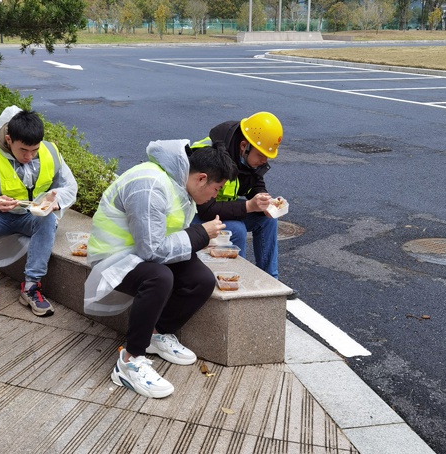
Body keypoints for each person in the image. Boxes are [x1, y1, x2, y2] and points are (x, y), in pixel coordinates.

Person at [83, 139, 238, 399]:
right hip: (114, 257)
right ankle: (129, 361)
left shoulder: (178, 184)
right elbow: (151, 251)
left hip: (142, 252)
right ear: (201, 178)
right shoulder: (151, 185)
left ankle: (157, 334)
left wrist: (199, 235)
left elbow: (162, 241)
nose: (216, 196)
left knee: (200, 279)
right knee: (159, 277)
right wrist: (200, 233)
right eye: (217, 188)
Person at [0, 106, 78, 320]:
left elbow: (69, 187)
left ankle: (31, 288)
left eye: (34, 150)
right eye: (23, 150)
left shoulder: (50, 152)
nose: (29, 156)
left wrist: (55, 201)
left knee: (47, 220)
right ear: (9, 140)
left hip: (30, 217)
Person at [189, 111, 298, 300]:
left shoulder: (247, 155)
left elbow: (255, 181)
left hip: (220, 210)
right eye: (261, 155)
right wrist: (248, 206)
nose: (264, 160)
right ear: (243, 146)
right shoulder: (212, 155)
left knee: (267, 220)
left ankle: (270, 280)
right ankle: (239, 285)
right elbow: (205, 208)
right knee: (237, 229)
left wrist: (264, 202)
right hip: (195, 213)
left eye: (267, 157)